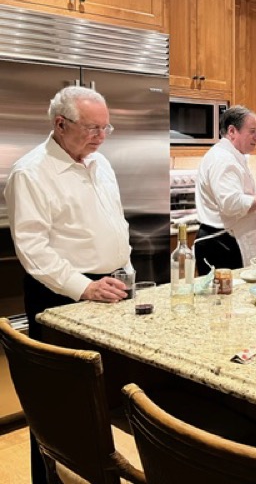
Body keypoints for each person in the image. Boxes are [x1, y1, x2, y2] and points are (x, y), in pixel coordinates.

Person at [4, 87, 131, 483]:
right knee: (56, 405)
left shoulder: (100, 162)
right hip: (62, 295)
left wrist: (124, 271)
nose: (101, 136)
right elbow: (33, 250)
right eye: (92, 128)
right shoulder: (31, 172)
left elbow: (115, 221)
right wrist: (84, 287)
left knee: (102, 399)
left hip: (111, 288)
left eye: (106, 127)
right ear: (60, 124)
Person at [194, 106, 256, 275]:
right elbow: (232, 204)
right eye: (252, 131)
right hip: (222, 244)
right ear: (232, 131)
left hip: (228, 241)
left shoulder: (231, 156)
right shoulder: (223, 160)